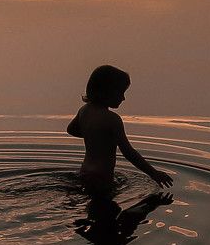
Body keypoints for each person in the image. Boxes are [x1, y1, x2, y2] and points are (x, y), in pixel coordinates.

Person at [67, 65, 173, 194]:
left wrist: (94, 136)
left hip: (84, 172)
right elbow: (128, 152)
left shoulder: (84, 110)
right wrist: (154, 173)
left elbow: (71, 130)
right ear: (106, 92)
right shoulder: (113, 119)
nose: (123, 98)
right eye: (120, 92)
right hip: (103, 178)